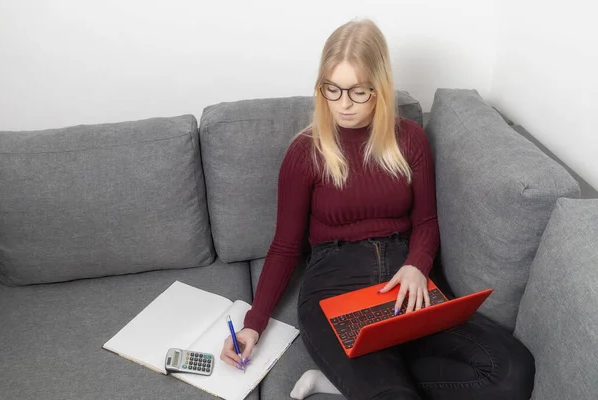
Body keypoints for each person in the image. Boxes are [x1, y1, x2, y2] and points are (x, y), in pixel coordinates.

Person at [220, 18, 535, 400]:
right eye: (332, 90)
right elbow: (285, 247)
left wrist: (418, 264)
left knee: (511, 372)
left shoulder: (410, 140)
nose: (344, 104)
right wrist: (253, 323)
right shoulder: (305, 153)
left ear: (380, 88)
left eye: (358, 91)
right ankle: (363, 380)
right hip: (334, 285)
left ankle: (342, 382)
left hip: (405, 282)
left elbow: (426, 221)